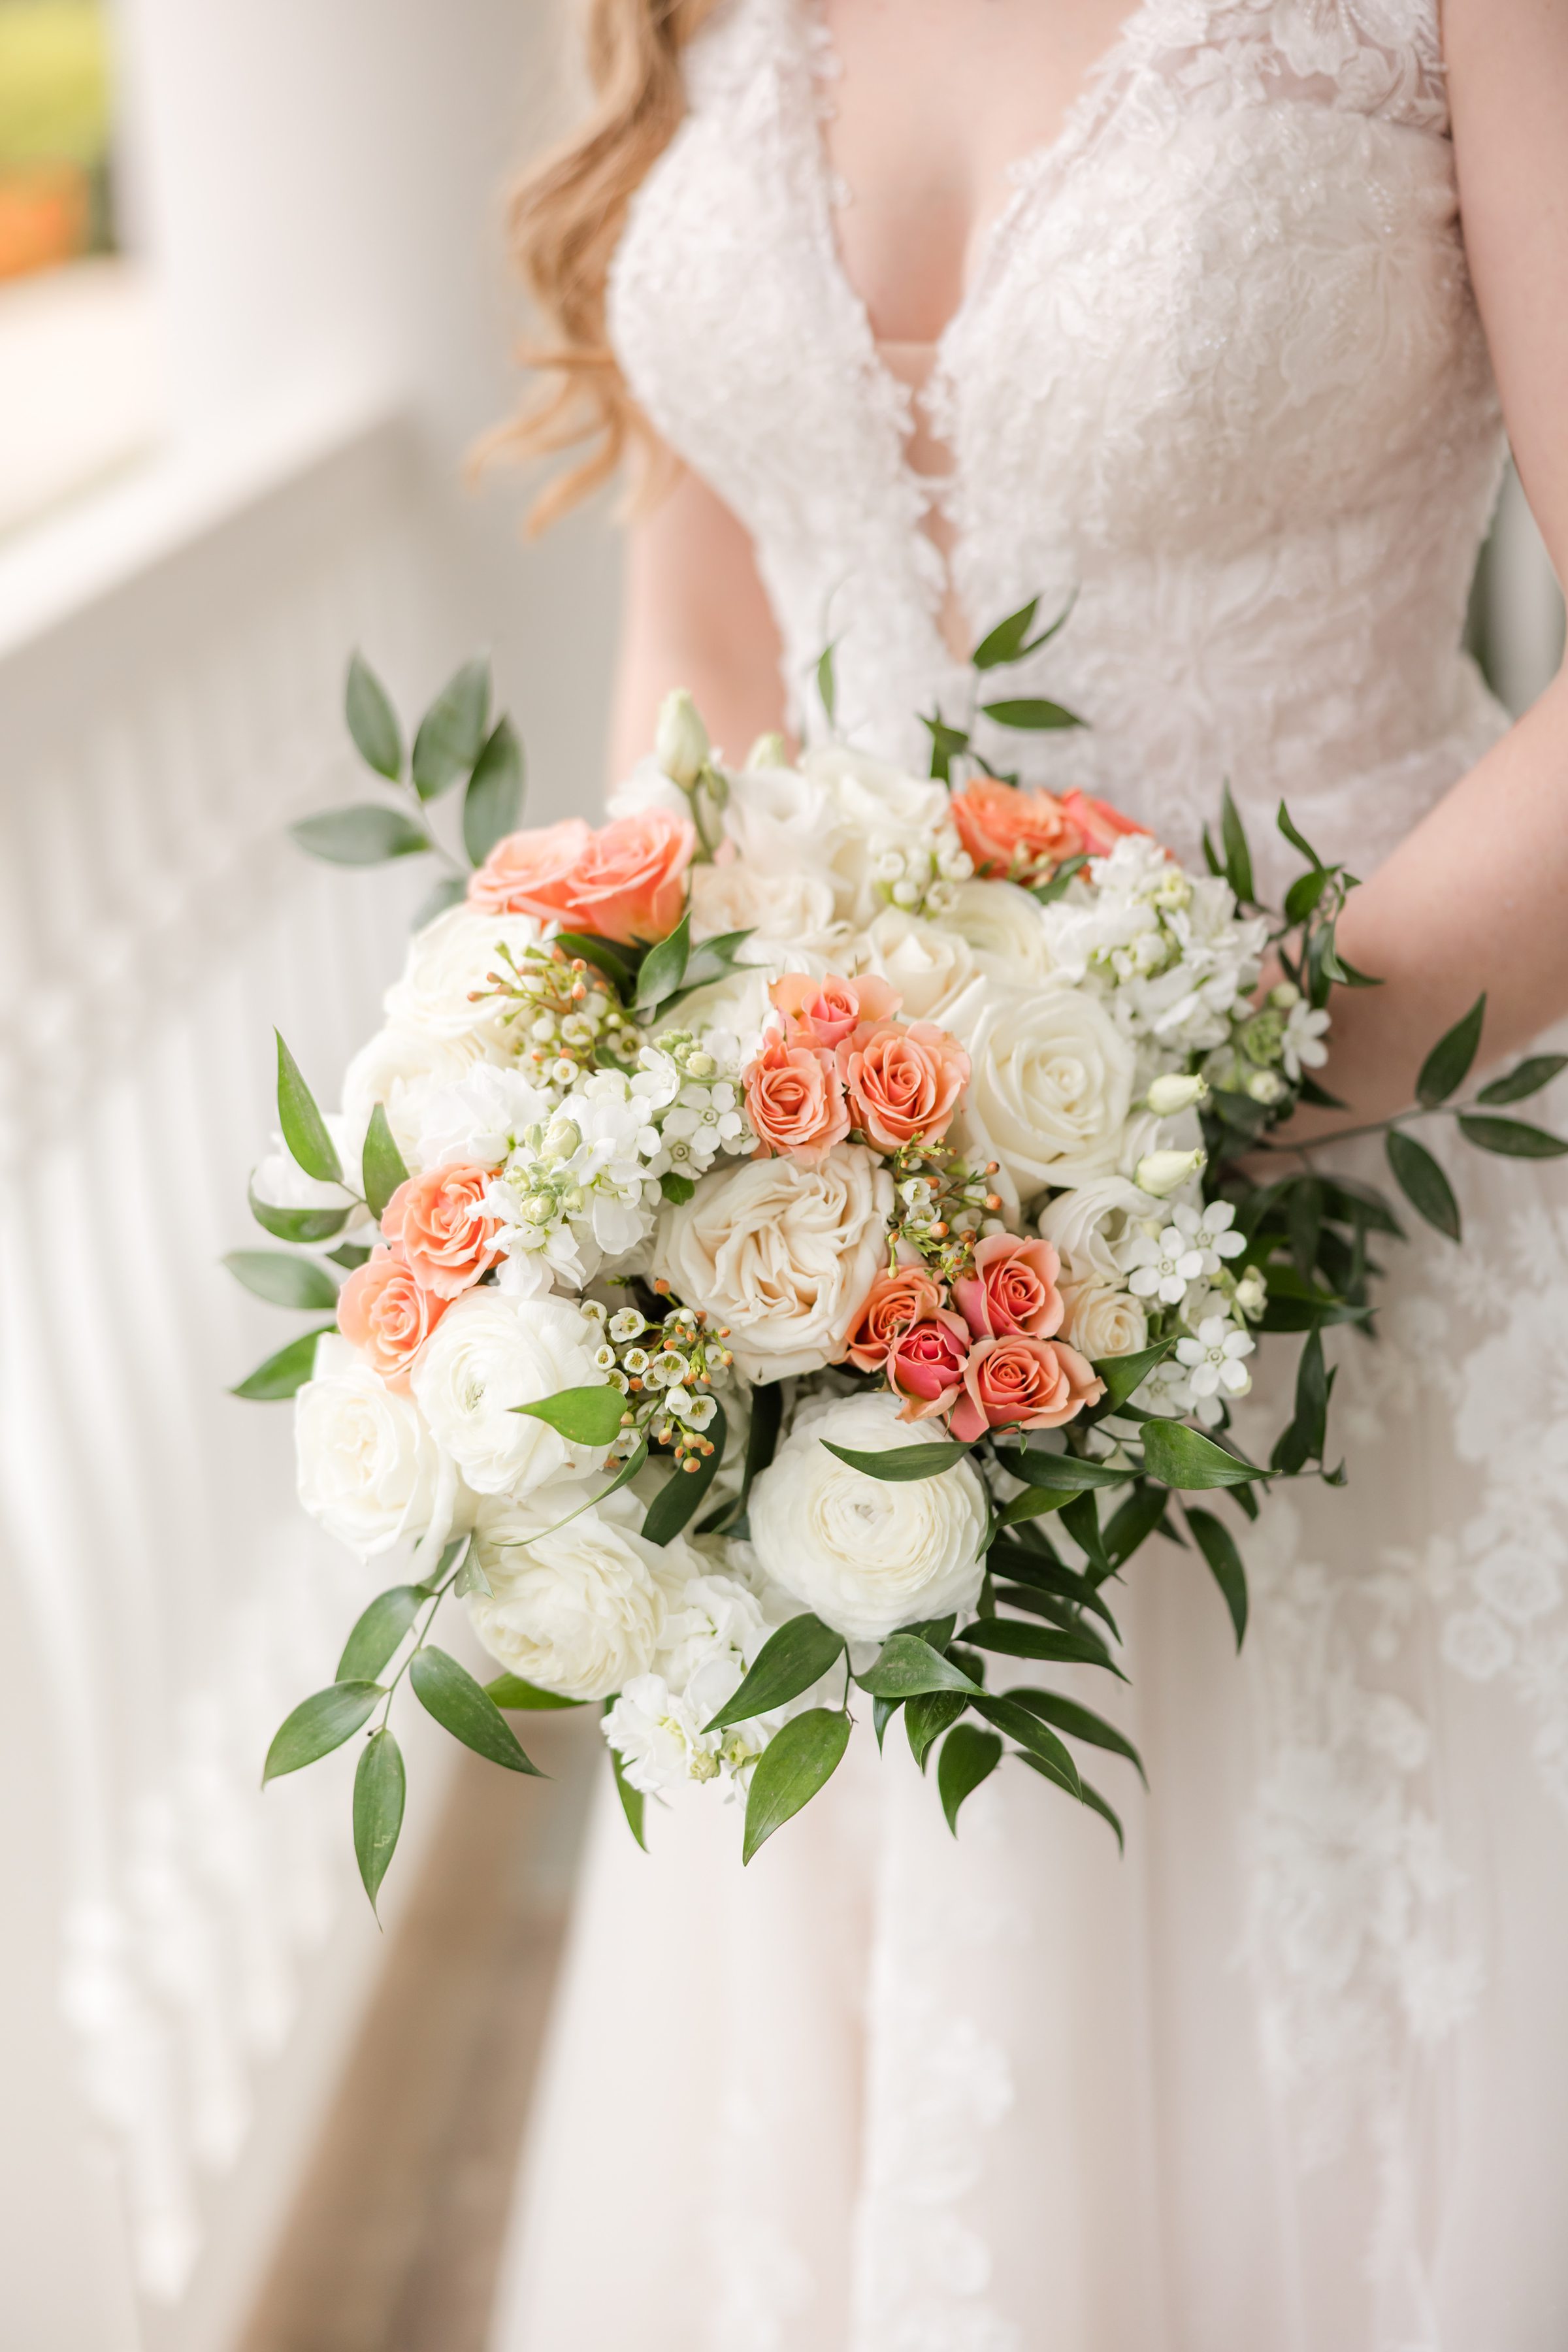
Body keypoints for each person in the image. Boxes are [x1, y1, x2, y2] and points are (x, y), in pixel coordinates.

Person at [487, 5, 1568, 2345]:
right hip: (850, 1322)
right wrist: (642, 1114)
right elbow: (711, 638)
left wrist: (1156, 1138)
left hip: (1372, 1231)